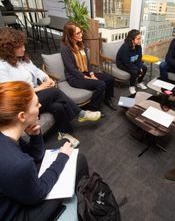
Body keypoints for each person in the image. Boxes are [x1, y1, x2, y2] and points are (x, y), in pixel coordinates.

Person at [0, 81, 89, 221]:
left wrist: (35, 135)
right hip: (18, 213)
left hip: (13, 191)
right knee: (79, 160)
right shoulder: (18, 164)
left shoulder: (7, 133)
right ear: (22, 116)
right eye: (36, 104)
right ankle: (87, 205)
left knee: (63, 143)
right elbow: (39, 193)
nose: (40, 105)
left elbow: (35, 155)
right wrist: (62, 158)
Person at [0, 27, 101, 148]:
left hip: (34, 95)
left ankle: (65, 134)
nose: (24, 48)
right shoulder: (3, 67)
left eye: (23, 45)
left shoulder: (23, 59)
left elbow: (37, 71)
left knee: (58, 106)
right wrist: (40, 88)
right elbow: (10, 94)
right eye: (19, 47)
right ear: (8, 49)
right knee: (54, 92)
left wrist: (46, 78)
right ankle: (80, 114)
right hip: (22, 102)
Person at [60, 22, 116, 110]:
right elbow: (71, 69)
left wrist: (92, 74)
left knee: (110, 78)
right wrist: (86, 77)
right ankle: (93, 109)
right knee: (100, 84)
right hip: (75, 78)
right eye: (78, 33)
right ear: (70, 36)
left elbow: (87, 62)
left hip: (85, 73)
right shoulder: (65, 48)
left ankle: (107, 99)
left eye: (81, 31)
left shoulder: (80, 44)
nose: (81, 34)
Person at [116, 29, 147, 95]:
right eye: (138, 39)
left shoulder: (138, 46)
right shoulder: (125, 47)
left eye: (140, 38)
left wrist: (140, 67)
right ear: (132, 39)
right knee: (134, 71)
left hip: (133, 62)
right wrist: (137, 69)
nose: (140, 40)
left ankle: (139, 82)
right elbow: (126, 63)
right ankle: (132, 86)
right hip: (122, 64)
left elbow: (139, 58)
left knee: (144, 68)